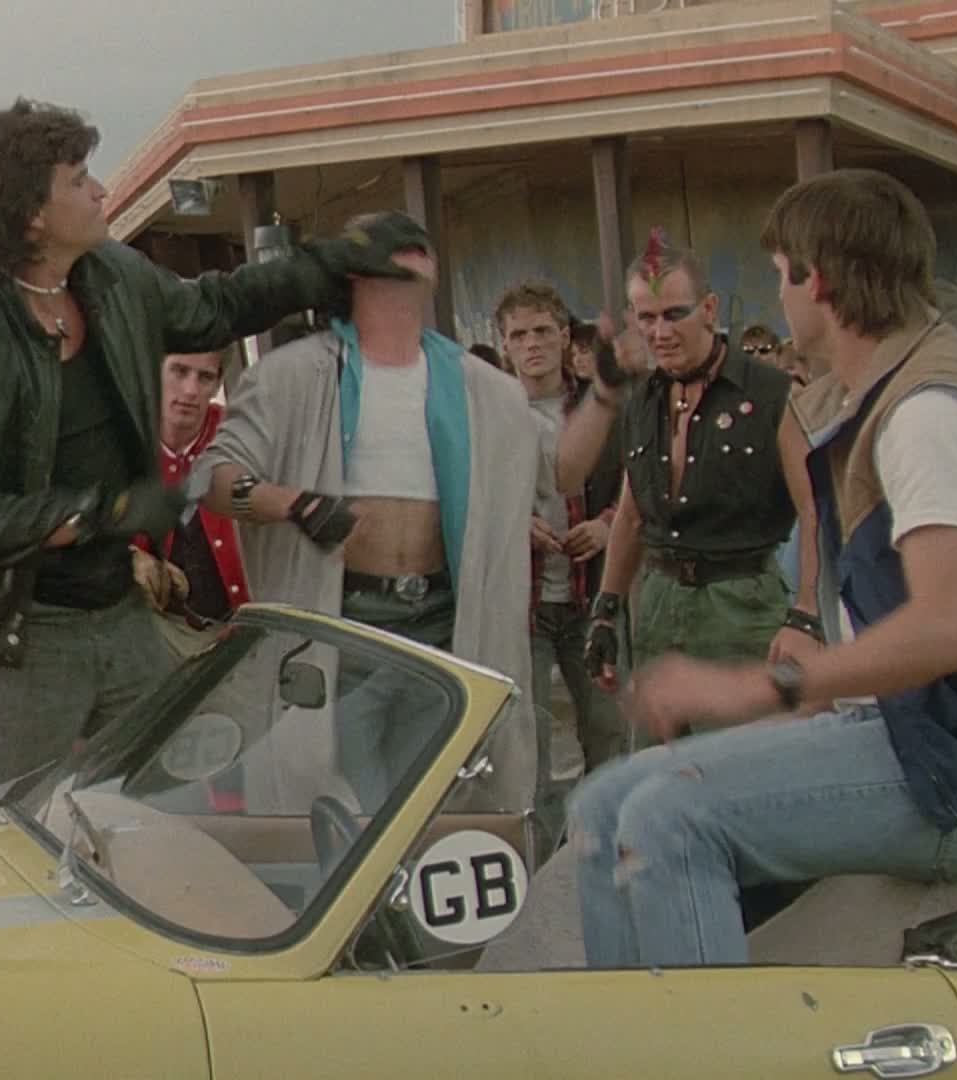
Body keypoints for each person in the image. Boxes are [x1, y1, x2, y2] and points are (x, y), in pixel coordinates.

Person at [566, 168, 957, 969]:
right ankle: (622, 1023)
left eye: (779, 273)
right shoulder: (879, 391)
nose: (778, 294)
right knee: (601, 804)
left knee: (666, 821)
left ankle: (700, 1032)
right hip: (912, 732)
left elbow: (948, 626)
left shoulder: (929, 413)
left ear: (814, 279)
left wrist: (758, 688)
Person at [0, 99, 424, 806]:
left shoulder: (116, 277)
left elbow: (218, 307)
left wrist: (333, 261)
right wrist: (100, 513)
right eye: (78, 179)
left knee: (175, 812)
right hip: (25, 635)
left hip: (123, 615)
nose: (100, 190)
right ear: (30, 216)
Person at [196, 210, 583, 811]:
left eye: (419, 245)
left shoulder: (483, 387)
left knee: (436, 808)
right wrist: (290, 503)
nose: (413, 250)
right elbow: (215, 479)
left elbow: (560, 472)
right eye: (393, 246)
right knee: (349, 815)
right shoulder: (292, 377)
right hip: (346, 627)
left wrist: (609, 396)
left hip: (444, 625)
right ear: (354, 273)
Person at [582, 236, 822, 748]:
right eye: (646, 318)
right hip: (658, 608)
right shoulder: (641, 401)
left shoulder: (772, 394)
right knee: (659, 771)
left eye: (675, 314)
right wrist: (605, 610)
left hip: (744, 606)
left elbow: (816, 510)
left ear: (709, 309)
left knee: (745, 769)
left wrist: (806, 613)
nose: (660, 332)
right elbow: (631, 515)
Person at [494, 282, 625, 813]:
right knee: (529, 748)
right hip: (523, 603)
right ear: (504, 344)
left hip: (592, 596)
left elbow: (637, 479)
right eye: (519, 334)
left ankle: (609, 837)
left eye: (543, 331)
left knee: (609, 732)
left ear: (566, 336)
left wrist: (609, 524)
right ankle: (542, 850)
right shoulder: (490, 412)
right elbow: (470, 496)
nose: (532, 344)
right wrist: (515, 523)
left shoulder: (603, 405)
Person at [138, 348, 249, 653]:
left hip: (246, 630)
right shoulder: (119, 443)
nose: (190, 390)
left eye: (205, 377)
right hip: (157, 636)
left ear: (218, 384)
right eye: (179, 371)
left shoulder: (243, 438)